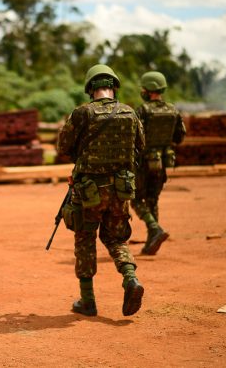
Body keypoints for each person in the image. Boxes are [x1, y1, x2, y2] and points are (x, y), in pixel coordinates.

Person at [56, 64, 146, 317]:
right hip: (121, 189)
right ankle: (130, 278)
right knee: (116, 239)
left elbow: (64, 146)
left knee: (85, 238)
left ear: (90, 89)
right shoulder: (129, 113)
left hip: (90, 191)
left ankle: (88, 301)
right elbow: (141, 145)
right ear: (114, 87)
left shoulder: (82, 113)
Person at [131, 71, 186, 255]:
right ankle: (151, 240)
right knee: (153, 200)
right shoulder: (173, 110)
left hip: (143, 164)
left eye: (143, 88)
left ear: (149, 89)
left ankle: (154, 228)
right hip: (162, 163)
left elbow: (134, 136)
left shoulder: (142, 111)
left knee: (135, 199)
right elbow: (179, 137)